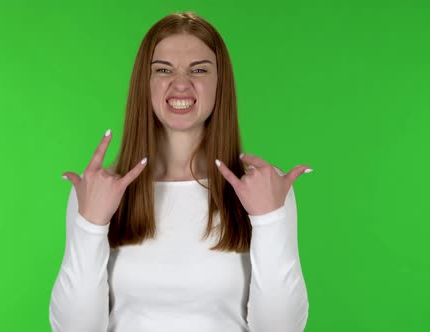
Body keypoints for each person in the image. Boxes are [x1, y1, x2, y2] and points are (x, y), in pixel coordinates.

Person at [49, 11, 312, 332]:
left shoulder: (263, 188)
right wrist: (90, 225)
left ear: (221, 83)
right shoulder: (97, 190)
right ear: (144, 84)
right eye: (163, 70)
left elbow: (281, 329)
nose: (181, 84)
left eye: (199, 69)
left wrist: (269, 219)